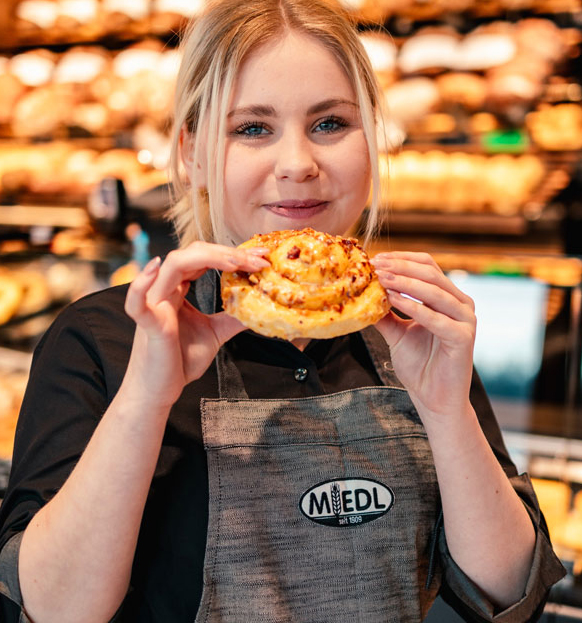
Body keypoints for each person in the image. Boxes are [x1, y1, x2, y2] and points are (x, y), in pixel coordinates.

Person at [0, 0, 566, 621]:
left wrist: (446, 412)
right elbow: (56, 608)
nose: (298, 163)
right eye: (252, 128)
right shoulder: (104, 339)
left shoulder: (412, 333)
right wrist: (145, 398)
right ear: (191, 153)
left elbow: (509, 591)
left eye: (330, 124)